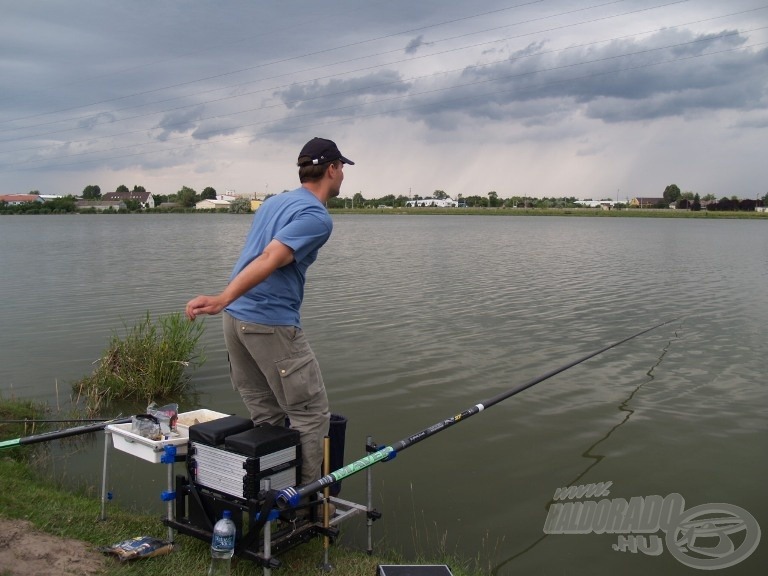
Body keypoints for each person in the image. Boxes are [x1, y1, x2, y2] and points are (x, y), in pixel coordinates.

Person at [185, 137, 353, 487]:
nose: (342, 177)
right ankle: (304, 506)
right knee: (310, 416)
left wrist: (227, 302)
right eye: (342, 169)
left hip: (236, 321)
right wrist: (220, 298)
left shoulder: (276, 202)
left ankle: (267, 498)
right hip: (268, 323)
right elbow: (270, 257)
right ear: (333, 168)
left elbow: (255, 254)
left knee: (268, 416)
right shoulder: (316, 216)